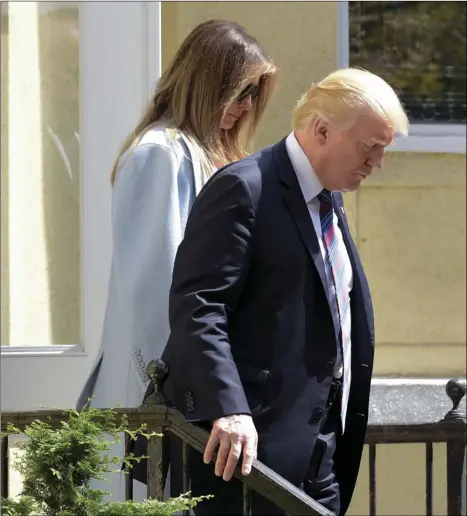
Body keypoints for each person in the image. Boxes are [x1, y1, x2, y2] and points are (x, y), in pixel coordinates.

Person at [152, 68, 409, 515]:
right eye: (370, 147)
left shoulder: (328, 199)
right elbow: (199, 306)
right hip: (249, 456)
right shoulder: (244, 188)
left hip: (319, 454)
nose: (378, 162)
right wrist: (228, 408)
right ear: (322, 131)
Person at [76, 18, 277, 501]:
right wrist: (208, 392)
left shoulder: (203, 155)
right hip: (165, 397)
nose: (248, 106)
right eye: (240, 89)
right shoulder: (159, 155)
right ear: (205, 82)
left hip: (193, 395)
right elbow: (160, 292)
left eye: (256, 92)